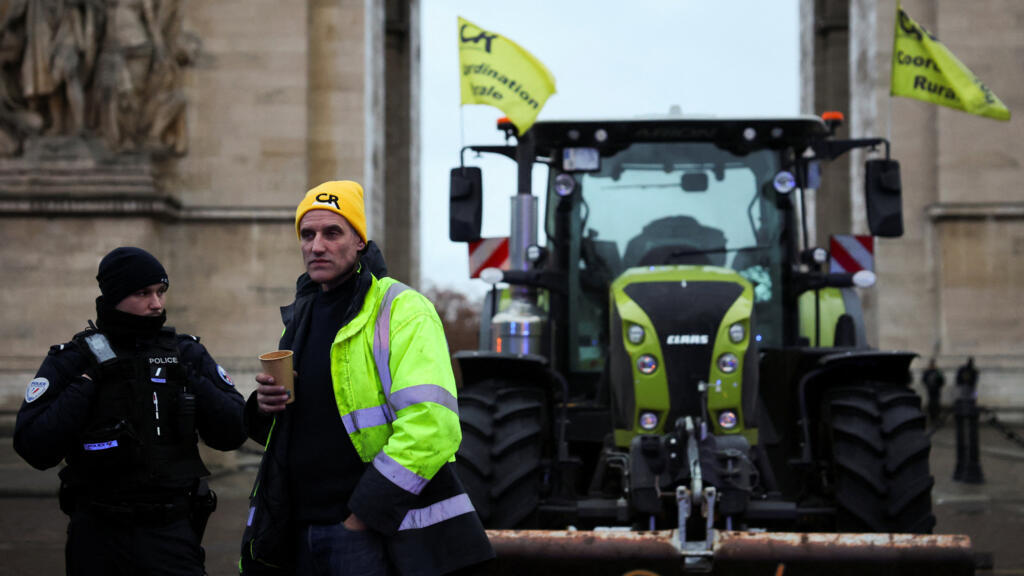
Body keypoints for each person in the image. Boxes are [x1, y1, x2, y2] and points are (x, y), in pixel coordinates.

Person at [240, 180, 493, 575]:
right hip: (298, 530)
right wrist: (262, 407)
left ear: (359, 241)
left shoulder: (403, 309)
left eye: (332, 233)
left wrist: (363, 515)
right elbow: (308, 423)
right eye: (307, 235)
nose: (316, 245)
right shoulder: (302, 313)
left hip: (365, 531)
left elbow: (433, 426)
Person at [13, 246, 247, 575]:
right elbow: (33, 447)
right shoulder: (75, 359)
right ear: (114, 296)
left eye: (161, 292)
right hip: (97, 534)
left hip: (170, 532)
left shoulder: (184, 353)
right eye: (143, 293)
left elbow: (234, 430)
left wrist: (185, 375)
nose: (157, 304)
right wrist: (89, 381)